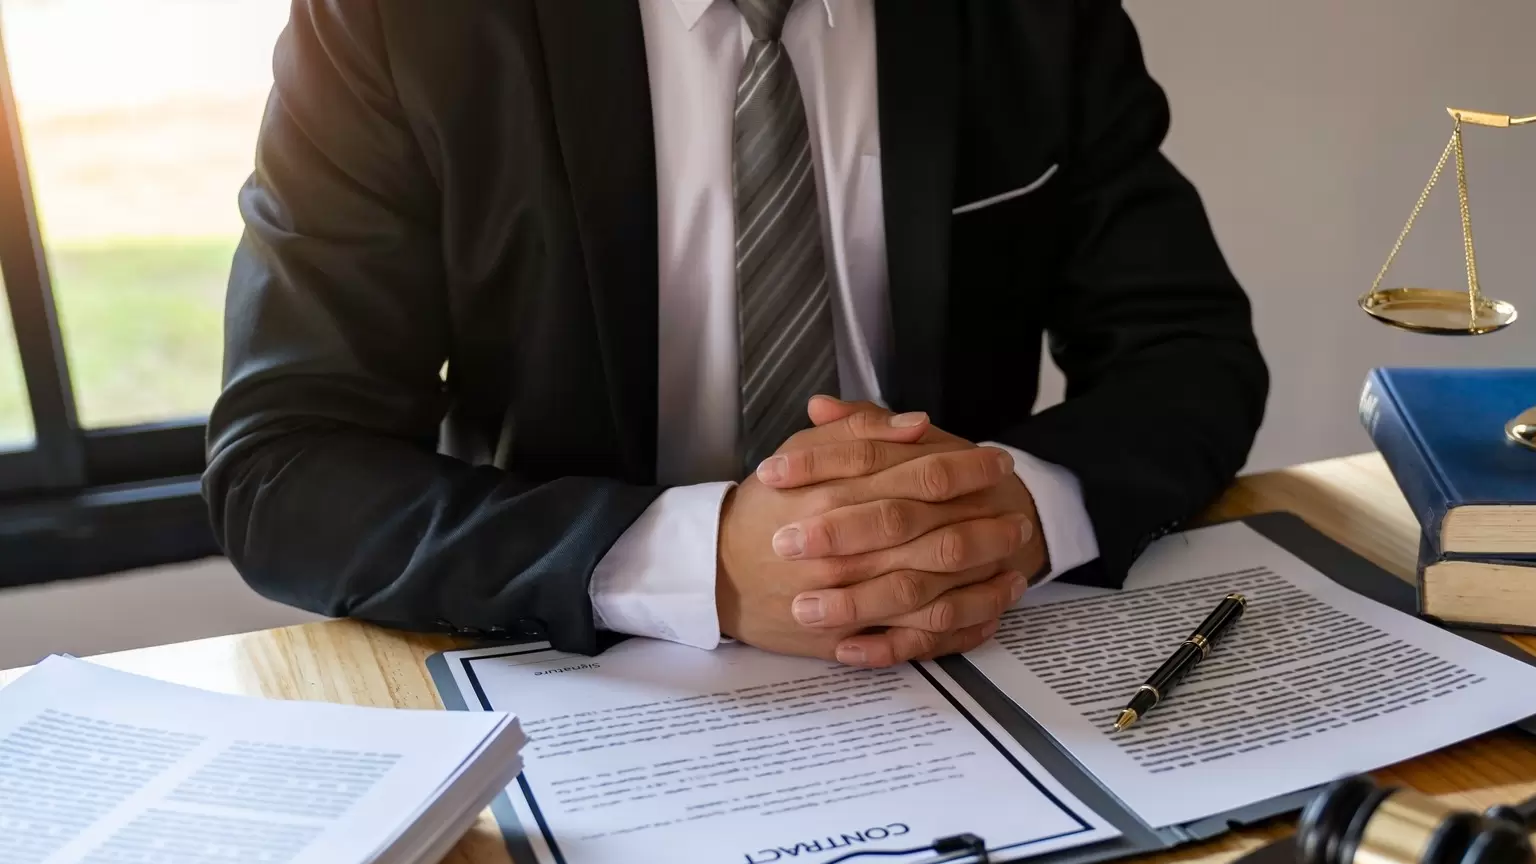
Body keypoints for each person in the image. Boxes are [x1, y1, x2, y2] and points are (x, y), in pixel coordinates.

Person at [206, 0, 1267, 666]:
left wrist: (1013, 515)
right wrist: (696, 561)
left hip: (976, 651)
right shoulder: (393, 24)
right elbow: (284, 469)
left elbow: (1186, 348)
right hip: (575, 665)